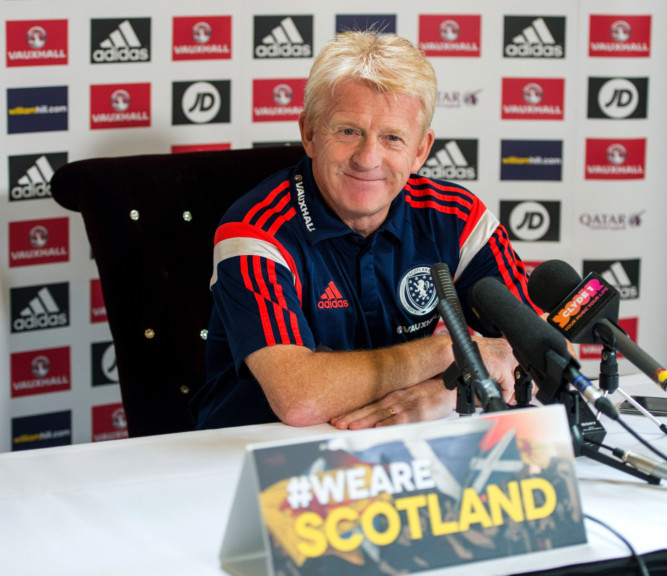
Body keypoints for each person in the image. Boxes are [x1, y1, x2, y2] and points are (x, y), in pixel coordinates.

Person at [191, 31, 539, 431]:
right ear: (309, 134)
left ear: (420, 151)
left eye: (392, 138)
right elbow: (298, 398)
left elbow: (548, 352)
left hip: (394, 447)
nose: (368, 158)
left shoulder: (457, 217)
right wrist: (452, 352)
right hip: (250, 452)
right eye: (348, 131)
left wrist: (444, 394)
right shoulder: (255, 229)